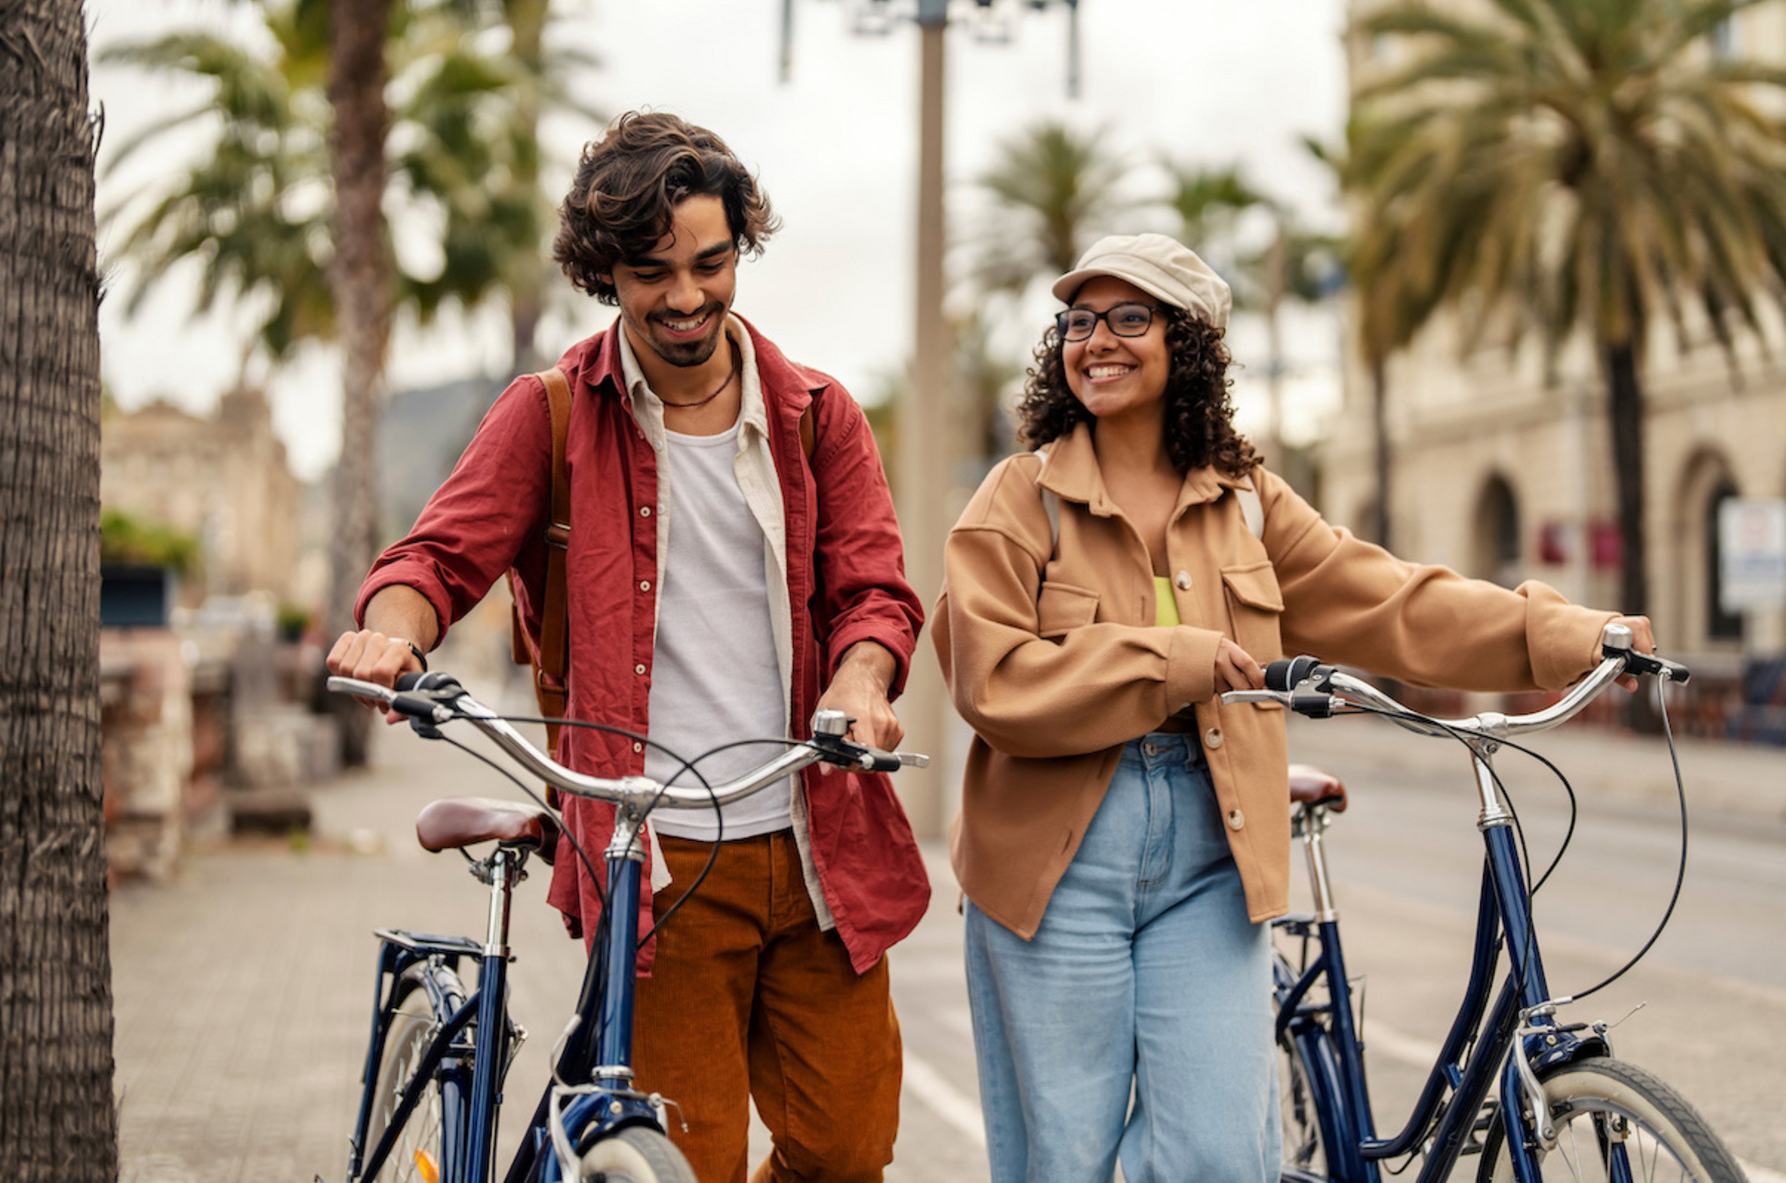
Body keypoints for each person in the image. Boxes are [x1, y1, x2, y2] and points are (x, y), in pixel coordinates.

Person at [930, 233, 1655, 1182]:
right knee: (1062, 1161)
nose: (1096, 339)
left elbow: (1393, 600)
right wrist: (1173, 660)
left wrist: (1569, 636)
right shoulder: (1018, 498)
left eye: (1129, 317)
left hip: (1213, 850)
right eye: (1079, 320)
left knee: (1220, 1155)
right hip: (1056, 864)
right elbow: (994, 681)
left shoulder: (1250, 506)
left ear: (1187, 342)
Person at [326, 111, 929, 1183]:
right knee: (679, 1165)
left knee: (846, 1154)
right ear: (603, 273)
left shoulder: (817, 417)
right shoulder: (552, 415)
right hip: (659, 863)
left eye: (712, 261)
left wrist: (861, 676)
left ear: (741, 246)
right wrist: (389, 631)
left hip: (816, 841)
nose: (689, 296)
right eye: (654, 272)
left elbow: (875, 593)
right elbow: (433, 559)